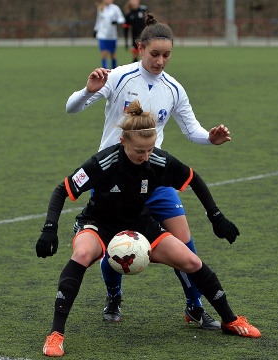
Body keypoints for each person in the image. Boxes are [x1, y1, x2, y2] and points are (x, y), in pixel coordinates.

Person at [38, 100, 261, 357]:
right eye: (139, 152)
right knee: (82, 254)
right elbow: (61, 190)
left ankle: (230, 320)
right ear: (123, 141)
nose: (146, 157)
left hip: (140, 224)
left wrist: (216, 216)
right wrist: (49, 228)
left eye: (150, 149)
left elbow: (194, 179)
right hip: (99, 223)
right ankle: (56, 334)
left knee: (190, 260)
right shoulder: (104, 162)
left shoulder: (157, 160)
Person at [66, 13, 233, 330]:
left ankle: (194, 307)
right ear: (140, 48)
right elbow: (71, 107)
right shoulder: (118, 77)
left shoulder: (174, 89)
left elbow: (192, 130)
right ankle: (113, 297)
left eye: (166, 55)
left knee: (184, 244)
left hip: (154, 176)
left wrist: (210, 138)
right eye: (154, 54)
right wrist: (88, 90)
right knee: (115, 243)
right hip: (113, 176)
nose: (160, 61)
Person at [93, 0, 125, 69]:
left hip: (112, 36)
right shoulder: (101, 8)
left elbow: (122, 19)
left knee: (112, 54)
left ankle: (114, 70)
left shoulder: (115, 8)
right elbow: (98, 21)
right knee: (104, 54)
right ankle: (104, 70)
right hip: (102, 35)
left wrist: (116, 21)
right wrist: (95, 30)